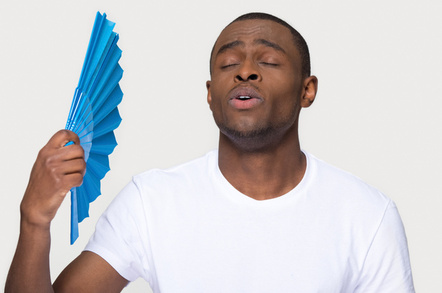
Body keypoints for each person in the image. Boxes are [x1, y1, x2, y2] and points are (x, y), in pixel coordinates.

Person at [5, 12, 414, 293]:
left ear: (308, 90)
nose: (245, 71)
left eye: (268, 60)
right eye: (228, 63)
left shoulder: (367, 215)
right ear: (209, 94)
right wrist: (34, 221)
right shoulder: (152, 202)